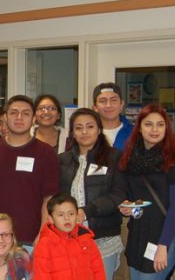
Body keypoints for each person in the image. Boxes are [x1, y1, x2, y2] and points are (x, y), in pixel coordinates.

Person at [0, 95, 60, 246]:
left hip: (31, 240)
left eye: (25, 113)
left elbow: (49, 198)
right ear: (6, 117)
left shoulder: (46, 153)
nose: (19, 117)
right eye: (14, 113)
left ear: (34, 118)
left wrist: (43, 235)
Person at [117, 104, 175, 280]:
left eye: (160, 124)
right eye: (148, 124)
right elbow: (130, 196)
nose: (154, 130)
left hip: (161, 235)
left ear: (167, 128)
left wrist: (163, 245)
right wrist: (127, 206)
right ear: (139, 127)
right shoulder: (130, 157)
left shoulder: (174, 159)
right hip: (137, 233)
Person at [59, 108, 125, 280]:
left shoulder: (114, 157)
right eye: (78, 128)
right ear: (72, 132)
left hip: (103, 237)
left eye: (90, 126)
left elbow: (118, 194)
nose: (84, 132)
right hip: (70, 238)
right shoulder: (62, 160)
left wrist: (86, 211)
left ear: (99, 129)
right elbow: (57, 197)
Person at [32, 193, 105, 280]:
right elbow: (41, 276)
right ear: (51, 219)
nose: (67, 218)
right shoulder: (44, 244)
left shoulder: (86, 238)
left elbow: (98, 269)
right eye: (61, 215)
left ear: (77, 215)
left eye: (71, 214)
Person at [92, 82, 133, 150]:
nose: (108, 105)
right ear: (95, 107)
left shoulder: (134, 133)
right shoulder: (87, 134)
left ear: (121, 104)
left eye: (114, 100)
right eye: (102, 101)